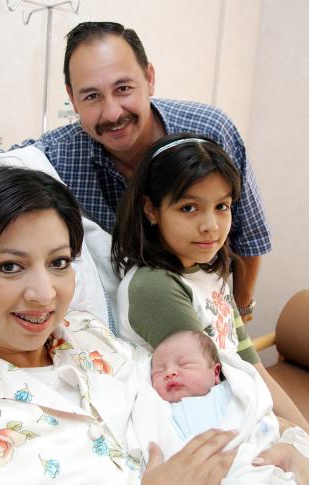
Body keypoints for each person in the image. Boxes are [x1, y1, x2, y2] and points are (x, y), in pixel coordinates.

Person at [0, 162, 243, 485]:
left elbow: (203, 405)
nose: (44, 293)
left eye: (59, 263)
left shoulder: (90, 336)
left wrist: (291, 451)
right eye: (10, 267)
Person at [11, 21, 271, 318]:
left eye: (123, 89)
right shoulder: (60, 155)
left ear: (149, 78)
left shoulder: (209, 132)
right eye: (92, 96)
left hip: (208, 307)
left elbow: (249, 238)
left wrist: (238, 317)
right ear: (72, 98)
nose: (112, 113)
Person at [112, 133, 309, 435]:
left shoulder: (206, 270)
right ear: (151, 209)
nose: (210, 226)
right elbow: (210, 391)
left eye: (222, 207)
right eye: (189, 208)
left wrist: (301, 429)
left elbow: (249, 361)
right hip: (197, 431)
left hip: (236, 415)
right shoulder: (156, 287)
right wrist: (287, 432)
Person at [144, 330, 309, 485]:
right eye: (158, 372)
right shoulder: (161, 409)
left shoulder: (233, 393)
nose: (169, 372)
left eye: (184, 365)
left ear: (215, 373)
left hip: (254, 469)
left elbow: (260, 418)